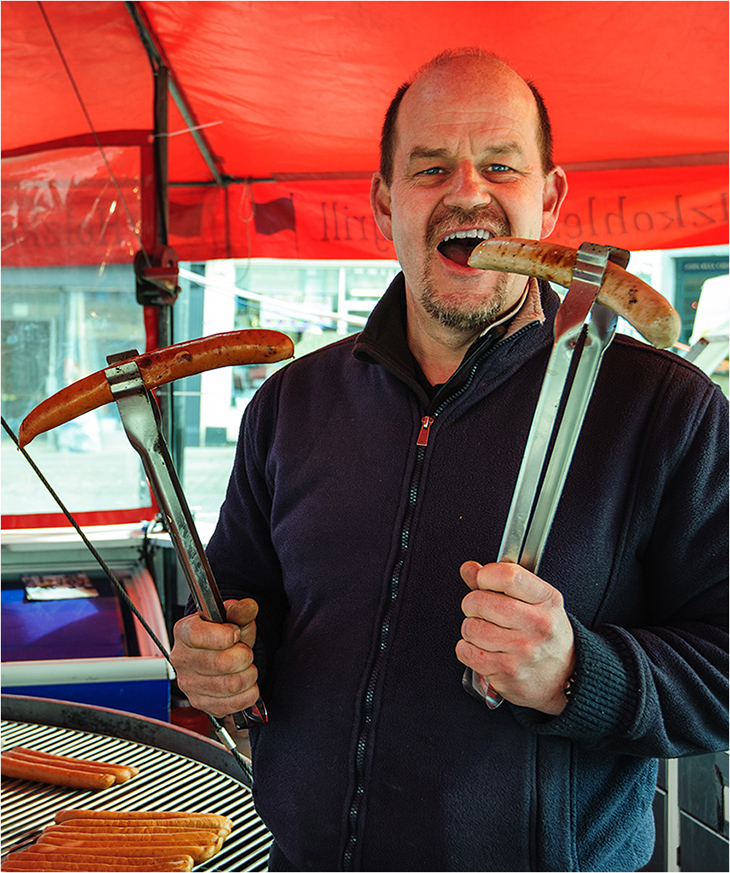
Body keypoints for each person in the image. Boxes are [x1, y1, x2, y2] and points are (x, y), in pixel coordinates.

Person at [171, 49, 728, 872]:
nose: (467, 190)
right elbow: (239, 608)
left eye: (501, 164)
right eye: (430, 168)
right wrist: (213, 665)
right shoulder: (291, 405)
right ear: (384, 200)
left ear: (551, 195)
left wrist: (576, 671)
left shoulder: (666, 410)